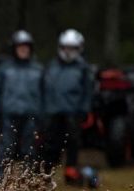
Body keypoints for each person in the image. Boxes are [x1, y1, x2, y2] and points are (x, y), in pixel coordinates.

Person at [41, 29, 93, 176]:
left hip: (73, 111)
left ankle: (71, 170)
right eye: (66, 47)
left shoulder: (83, 68)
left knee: (73, 141)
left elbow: (88, 91)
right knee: (50, 142)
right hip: (52, 111)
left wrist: (85, 110)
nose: (68, 52)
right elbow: (44, 89)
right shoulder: (51, 66)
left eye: (72, 48)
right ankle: (46, 172)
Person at [0, 30, 43, 175]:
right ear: (14, 48)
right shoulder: (4, 69)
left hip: (31, 115)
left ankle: (27, 179)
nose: (23, 50)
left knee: (29, 149)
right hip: (9, 114)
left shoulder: (38, 69)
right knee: (6, 147)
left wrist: (43, 115)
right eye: (20, 46)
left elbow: (44, 93)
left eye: (26, 47)